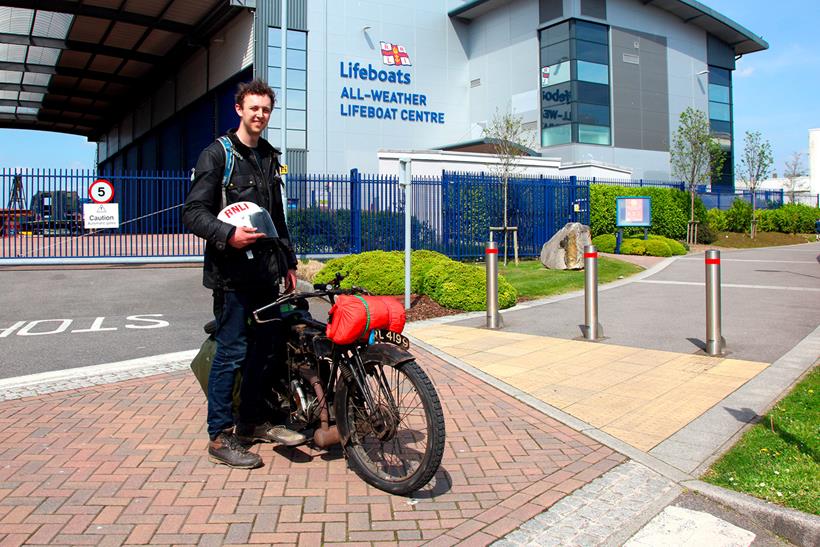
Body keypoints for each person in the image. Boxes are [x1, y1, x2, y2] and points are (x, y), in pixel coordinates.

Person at [183, 79, 306, 469]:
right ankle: (219, 436)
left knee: (265, 350)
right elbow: (193, 213)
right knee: (232, 352)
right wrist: (228, 234)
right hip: (232, 275)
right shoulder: (218, 155)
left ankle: (251, 422)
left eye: (266, 109)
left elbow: (278, 217)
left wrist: (288, 262)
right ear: (240, 109)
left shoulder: (269, 157)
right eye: (253, 108)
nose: (260, 115)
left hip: (266, 274)